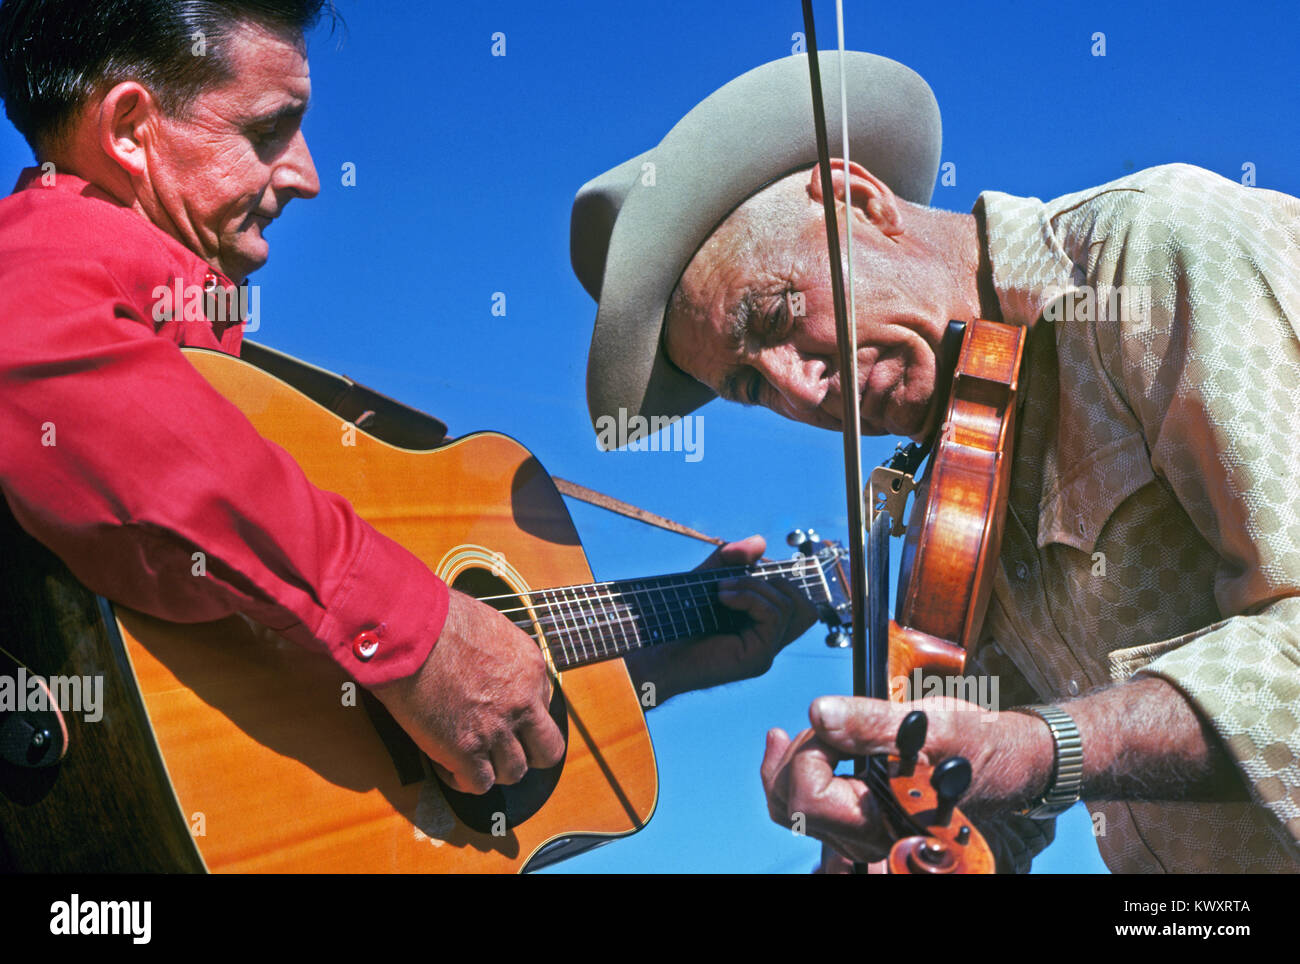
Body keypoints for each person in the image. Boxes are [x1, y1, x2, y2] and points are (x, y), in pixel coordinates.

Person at [0, 0, 811, 818]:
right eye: (270, 130)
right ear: (131, 129)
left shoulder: (198, 345)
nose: (307, 175)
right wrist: (417, 632)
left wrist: (664, 656)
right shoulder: (36, 253)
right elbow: (97, 420)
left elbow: (302, 712)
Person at [571, 51, 1300, 872]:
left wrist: (1043, 748)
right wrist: (881, 840)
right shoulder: (950, 505)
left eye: (776, 316)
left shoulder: (1155, 249)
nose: (800, 393)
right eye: (749, 386)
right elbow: (982, 807)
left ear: (857, 199)